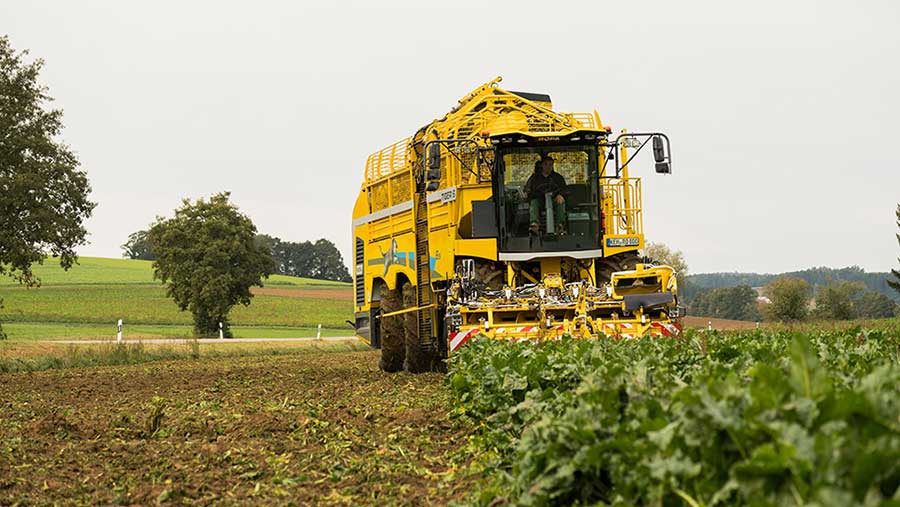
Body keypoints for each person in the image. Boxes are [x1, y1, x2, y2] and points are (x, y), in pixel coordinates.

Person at [523, 154, 568, 234]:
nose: (548, 167)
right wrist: (529, 193)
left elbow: (564, 189)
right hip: (540, 200)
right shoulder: (535, 178)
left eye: (550, 164)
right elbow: (527, 189)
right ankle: (534, 225)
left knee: (561, 202)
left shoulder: (558, 178)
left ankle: (560, 226)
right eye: (546, 164)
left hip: (554, 200)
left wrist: (561, 195)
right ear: (542, 165)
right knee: (534, 202)